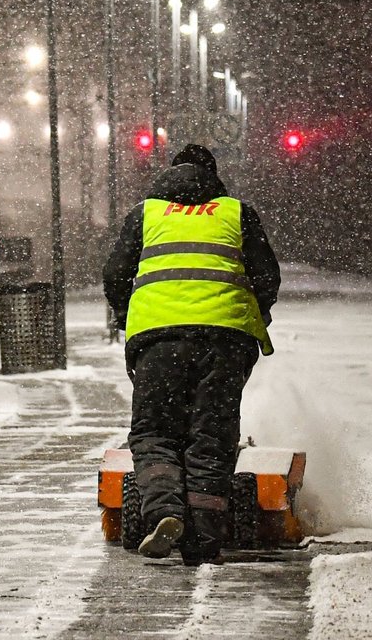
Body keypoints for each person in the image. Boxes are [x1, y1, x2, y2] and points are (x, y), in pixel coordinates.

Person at [102, 143, 280, 565]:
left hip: (158, 340)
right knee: (212, 435)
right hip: (224, 340)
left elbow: (115, 275)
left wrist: (129, 314)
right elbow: (267, 276)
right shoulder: (236, 212)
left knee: (155, 432)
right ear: (214, 178)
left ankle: (164, 511)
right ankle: (202, 536)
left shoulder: (146, 214)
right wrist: (253, 314)